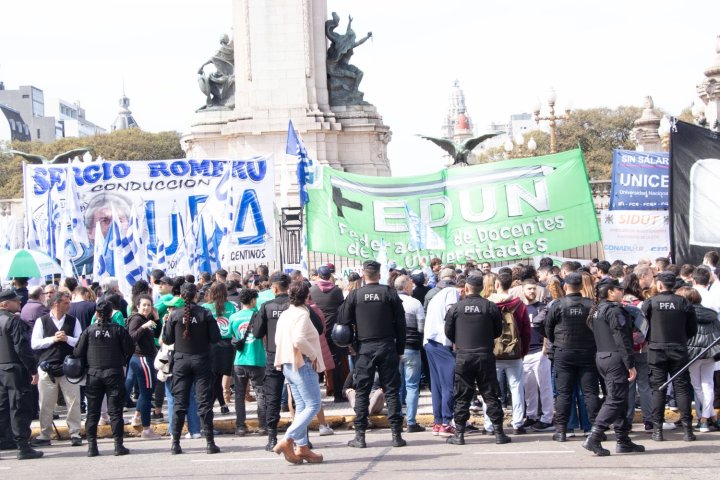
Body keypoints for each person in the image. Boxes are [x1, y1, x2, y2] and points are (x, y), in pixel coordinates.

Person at [338, 260, 407, 448]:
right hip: (387, 346)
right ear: (379, 274)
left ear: (363, 274)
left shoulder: (355, 295)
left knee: (362, 392)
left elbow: (342, 321)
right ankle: (396, 436)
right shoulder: (389, 293)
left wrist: (351, 344)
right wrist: (400, 349)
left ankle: (360, 436)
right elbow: (401, 324)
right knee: (391, 391)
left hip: (365, 349)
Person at [444, 273, 511, 446]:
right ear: (482, 289)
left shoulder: (456, 308)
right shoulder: (490, 307)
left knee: (462, 396)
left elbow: (448, 332)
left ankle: (459, 434)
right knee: (490, 395)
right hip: (484, 356)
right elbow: (497, 331)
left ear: (466, 288)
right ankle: (498, 433)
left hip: (464, 356)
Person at [584, 279, 644, 456]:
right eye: (619, 289)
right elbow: (621, 338)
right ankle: (594, 437)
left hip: (603, 357)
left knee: (619, 399)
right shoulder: (614, 310)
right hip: (615, 358)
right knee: (616, 399)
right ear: (610, 292)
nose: (621, 291)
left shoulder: (597, 310)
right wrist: (630, 364)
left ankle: (623, 439)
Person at [162, 282, 221, 455]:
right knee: (204, 403)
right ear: (196, 296)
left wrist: (167, 323)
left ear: (181, 296)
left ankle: (175, 443)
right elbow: (216, 338)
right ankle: (210, 443)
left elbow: (167, 339)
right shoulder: (205, 313)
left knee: (180, 403)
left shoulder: (174, 315)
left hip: (181, 361)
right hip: (201, 359)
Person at [272, 281, 325, 465]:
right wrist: (312, 354)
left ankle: (302, 447)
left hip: (288, 363)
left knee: (302, 406)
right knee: (313, 405)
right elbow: (299, 339)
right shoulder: (303, 314)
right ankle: (288, 439)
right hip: (302, 363)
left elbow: (277, 339)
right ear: (307, 297)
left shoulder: (286, 314)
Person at [642, 271, 698, 442]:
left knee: (658, 389)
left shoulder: (650, 303)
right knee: (681, 388)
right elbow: (692, 330)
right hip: (678, 348)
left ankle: (657, 431)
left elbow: (644, 328)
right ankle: (688, 430)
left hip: (656, 350)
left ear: (659, 285)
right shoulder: (684, 303)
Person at [74, 300, 134, 456]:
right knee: (115, 412)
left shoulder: (89, 330)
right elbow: (130, 348)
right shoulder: (118, 330)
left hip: (94, 375)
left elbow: (78, 352)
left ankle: (92, 447)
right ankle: (118, 446)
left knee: (92, 412)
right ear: (111, 314)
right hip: (114, 374)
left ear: (97, 314)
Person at [546, 272, 599, 442]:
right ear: (582, 286)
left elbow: (548, 329)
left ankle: (561, 431)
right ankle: (594, 430)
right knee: (590, 392)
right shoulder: (591, 304)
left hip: (564, 351)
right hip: (587, 351)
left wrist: (557, 342)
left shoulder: (558, 305)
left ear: (565, 286)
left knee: (563, 393)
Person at [30, 292, 83, 447]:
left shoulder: (73, 321)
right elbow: (35, 344)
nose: (69, 305)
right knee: (46, 403)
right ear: (56, 303)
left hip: (69, 367)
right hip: (47, 368)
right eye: (66, 303)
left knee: (73, 401)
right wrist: (53, 339)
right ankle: (45, 434)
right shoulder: (42, 321)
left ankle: (75, 433)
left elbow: (80, 341)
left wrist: (67, 338)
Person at [485, 271, 531, 435]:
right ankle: (518, 423)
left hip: (493, 353)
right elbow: (526, 330)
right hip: (514, 353)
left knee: (490, 389)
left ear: (496, 285)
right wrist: (523, 350)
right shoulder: (519, 304)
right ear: (510, 285)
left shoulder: (488, 304)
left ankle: (490, 424)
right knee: (516, 388)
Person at [0, 289, 43, 460]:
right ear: (4, 303)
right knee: (19, 407)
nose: (19, 303)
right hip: (15, 370)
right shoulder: (13, 321)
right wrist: (32, 369)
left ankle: (4, 440)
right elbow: (21, 348)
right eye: (15, 301)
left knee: (2, 408)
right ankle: (23, 446)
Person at [252, 272, 291, 451]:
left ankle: (272, 438)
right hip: (293, 355)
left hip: (274, 355)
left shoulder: (267, 307)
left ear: (274, 288)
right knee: (298, 397)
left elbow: (257, 333)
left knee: (272, 398)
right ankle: (302, 437)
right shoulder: (296, 305)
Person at [677, 287, 720, 432]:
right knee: (708, 385)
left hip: (693, 353)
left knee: (696, 386)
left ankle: (703, 420)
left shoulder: (685, 314)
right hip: (710, 352)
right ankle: (712, 417)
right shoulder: (712, 314)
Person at [229, 288, 267, 437]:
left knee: (239, 395)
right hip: (257, 359)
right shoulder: (258, 315)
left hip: (240, 360)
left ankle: (240, 426)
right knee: (260, 394)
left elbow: (231, 336)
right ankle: (263, 425)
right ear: (252, 301)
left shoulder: (233, 317)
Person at [520, 280, 555, 432]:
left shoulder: (542, 307)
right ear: (523, 290)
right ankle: (531, 416)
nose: (532, 291)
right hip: (525, 354)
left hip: (540, 352)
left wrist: (544, 349)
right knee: (529, 388)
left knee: (545, 387)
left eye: (534, 289)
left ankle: (547, 418)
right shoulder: (519, 309)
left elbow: (548, 328)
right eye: (529, 289)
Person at [309, 265, 347, 403]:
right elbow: (342, 308)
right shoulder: (337, 291)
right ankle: (338, 394)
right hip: (334, 331)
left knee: (313, 362)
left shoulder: (311, 290)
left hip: (317, 331)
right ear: (329, 276)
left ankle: (314, 397)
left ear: (318, 275)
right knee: (336, 363)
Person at [125, 294, 161, 439]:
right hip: (141, 359)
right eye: (144, 305)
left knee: (145, 392)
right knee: (146, 394)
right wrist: (143, 327)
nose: (147, 308)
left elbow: (157, 334)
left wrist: (157, 319)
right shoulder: (137, 319)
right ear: (138, 306)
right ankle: (146, 429)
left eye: (149, 305)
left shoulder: (146, 319)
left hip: (144, 359)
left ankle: (137, 417)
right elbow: (131, 337)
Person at [395, 275, 426, 433]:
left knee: (399, 385)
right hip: (412, 348)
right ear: (406, 287)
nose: (412, 288)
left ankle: (398, 419)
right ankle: (412, 422)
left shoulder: (391, 302)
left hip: (395, 349)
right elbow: (421, 328)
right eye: (410, 285)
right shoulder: (415, 303)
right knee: (412, 385)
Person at [201, 282, 236, 415]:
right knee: (219, 376)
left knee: (214, 377)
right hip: (227, 345)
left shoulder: (206, 307)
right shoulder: (231, 306)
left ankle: (213, 405)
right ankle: (222, 404)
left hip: (211, 345)